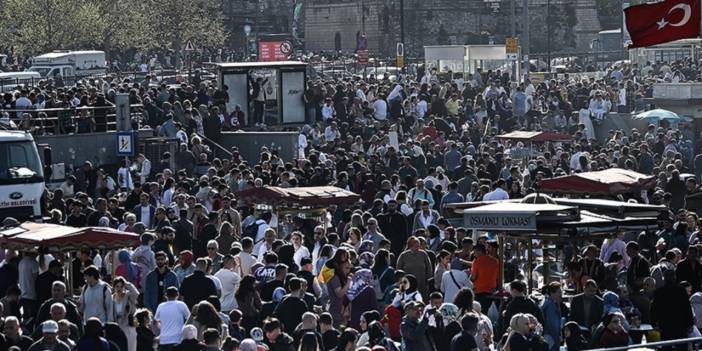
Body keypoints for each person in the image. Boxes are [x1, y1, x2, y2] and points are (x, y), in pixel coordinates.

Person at [651, 269, 695, 350]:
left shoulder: (659, 292)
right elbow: (687, 308)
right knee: (681, 347)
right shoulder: (681, 290)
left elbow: (654, 309)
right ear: (675, 278)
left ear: (664, 278)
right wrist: (690, 323)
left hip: (665, 325)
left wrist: (653, 323)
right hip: (680, 325)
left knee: (666, 347)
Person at [471, 244, 498, 314]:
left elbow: (473, 277)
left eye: (475, 252)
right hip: (491, 291)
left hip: (479, 291)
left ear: (480, 252)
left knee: (479, 313)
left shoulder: (476, 262)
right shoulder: (495, 261)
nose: (474, 254)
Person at [540, 282, 562, 351]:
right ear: (552, 293)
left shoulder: (547, 302)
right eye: (559, 292)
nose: (561, 294)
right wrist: (557, 341)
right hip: (552, 339)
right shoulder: (551, 306)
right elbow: (553, 326)